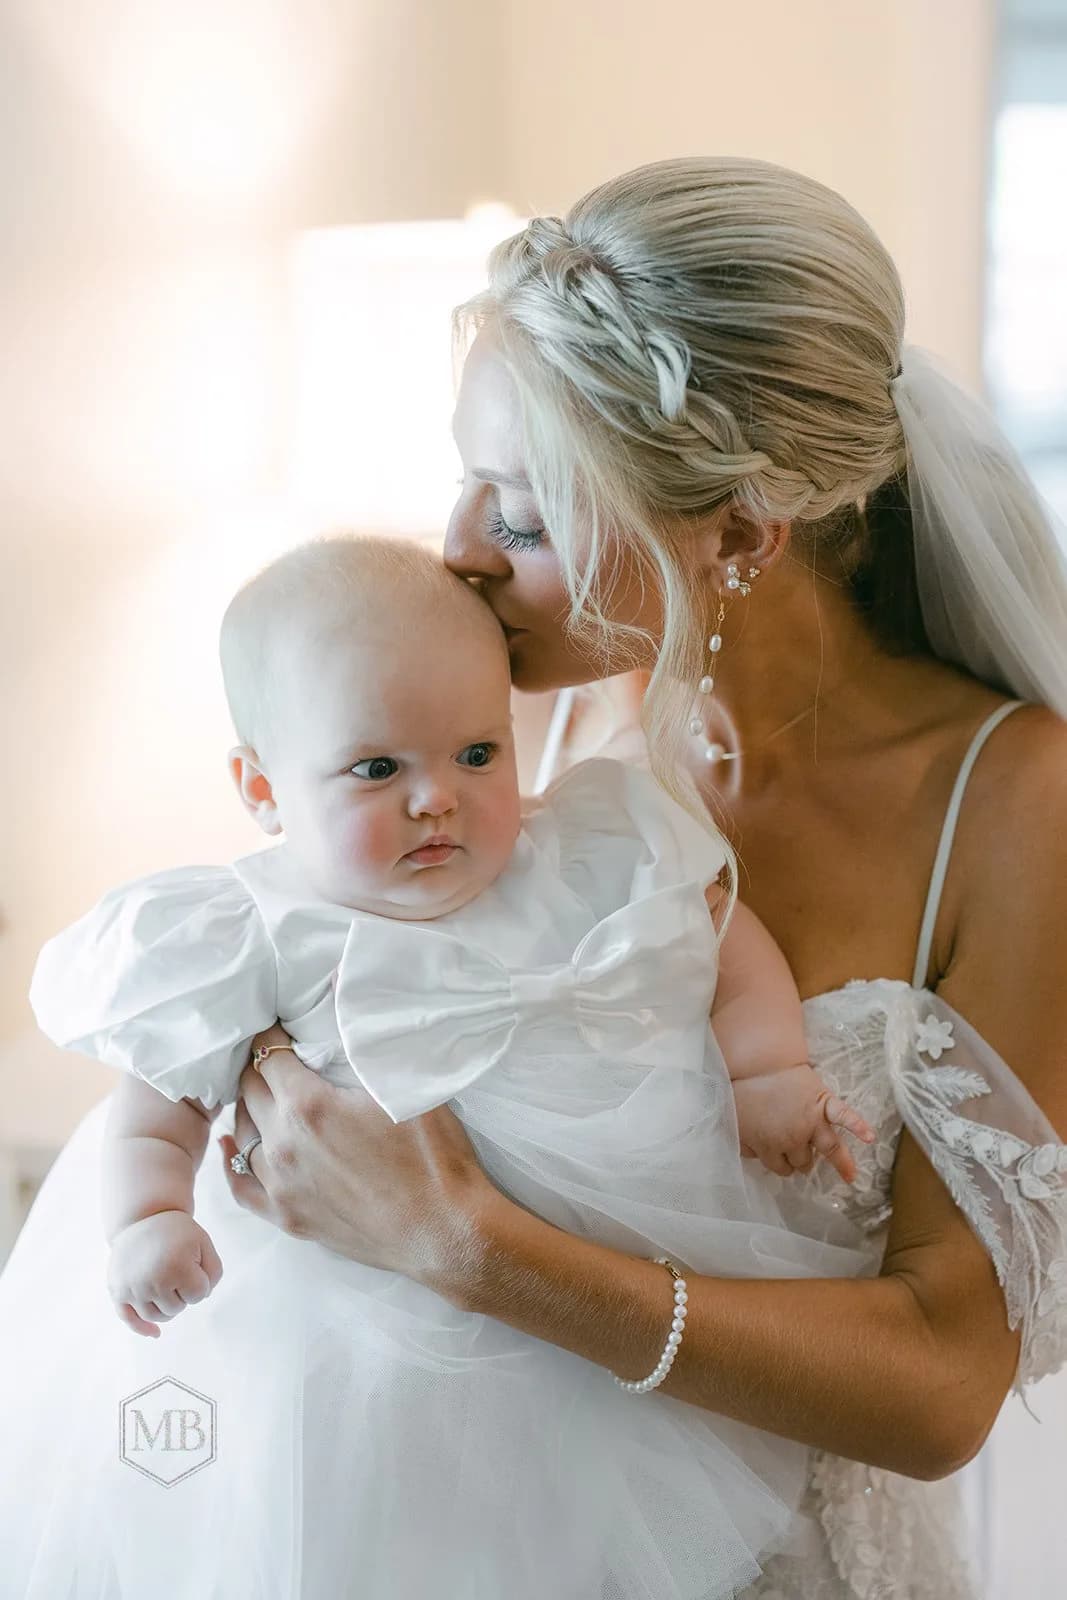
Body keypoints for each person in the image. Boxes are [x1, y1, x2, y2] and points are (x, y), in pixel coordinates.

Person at [218, 158, 1067, 1599]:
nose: (457, 553)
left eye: (526, 515)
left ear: (736, 531)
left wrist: (465, 1248)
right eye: (467, 481)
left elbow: (938, 1390)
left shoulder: (1012, 801)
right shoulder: (529, 736)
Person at [4, 533, 874, 1600]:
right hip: (345, 1337)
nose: (436, 799)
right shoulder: (253, 926)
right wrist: (149, 1218)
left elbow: (721, 941)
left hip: (576, 1320)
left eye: (475, 754)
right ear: (261, 786)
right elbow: (158, 1099)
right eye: (377, 769)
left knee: (554, 1537)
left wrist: (764, 1072)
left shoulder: (589, 851)